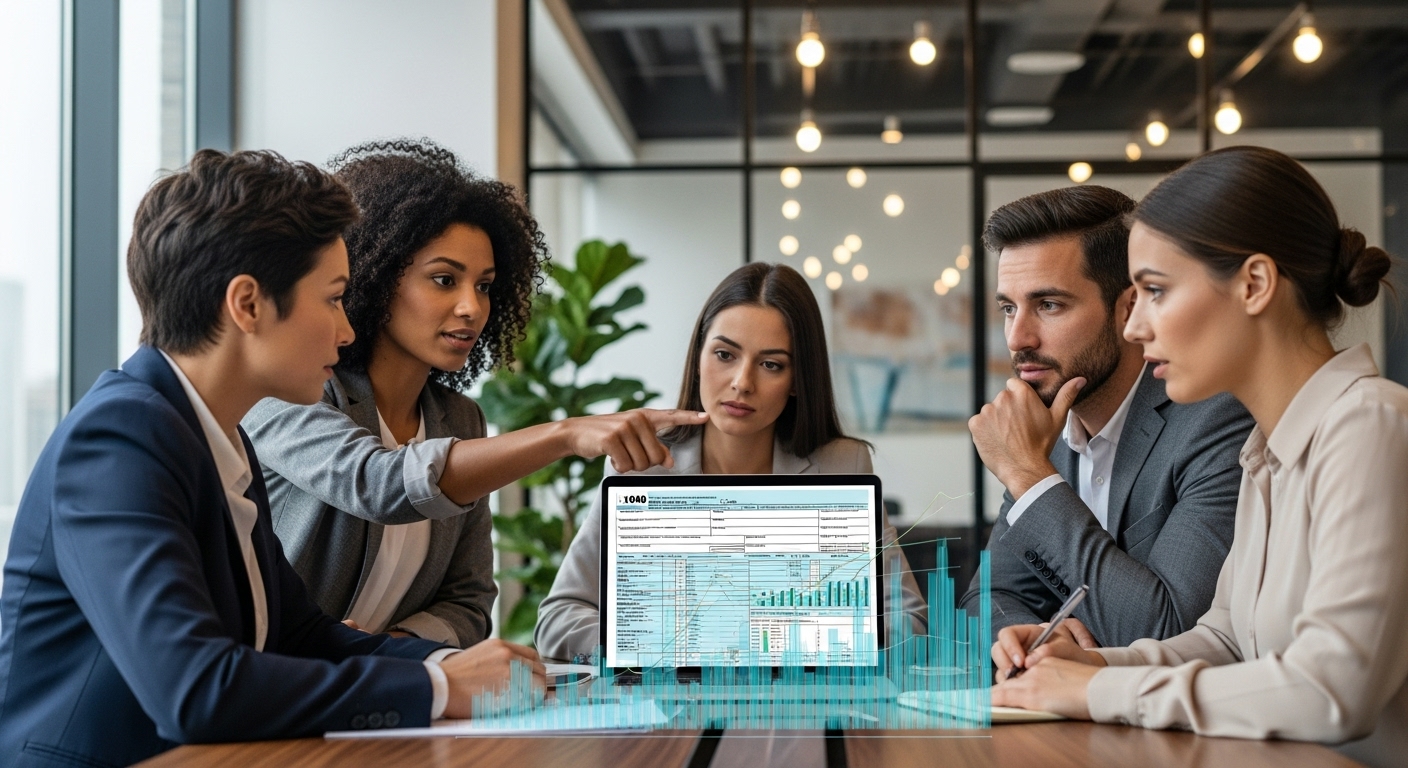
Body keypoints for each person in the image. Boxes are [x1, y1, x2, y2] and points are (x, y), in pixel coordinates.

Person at [0, 149, 546, 768]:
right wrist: (440, 688)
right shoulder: (120, 437)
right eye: (334, 299)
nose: (346, 332)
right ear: (248, 305)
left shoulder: (218, 438)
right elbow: (196, 689)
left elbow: (299, 634)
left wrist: (451, 664)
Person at [990, 146, 1407, 768]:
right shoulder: (1268, 449)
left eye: (1155, 292)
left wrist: (1101, 688)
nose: (1135, 327)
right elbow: (1225, 638)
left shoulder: (1370, 424)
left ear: (1255, 285)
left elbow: (1330, 689)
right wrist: (1092, 662)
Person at [242, 140, 707, 647]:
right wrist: (567, 435)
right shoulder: (294, 393)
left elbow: (469, 600)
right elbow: (377, 484)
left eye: (484, 286)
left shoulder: (460, 420)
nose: (471, 307)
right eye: (444, 280)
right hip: (274, 695)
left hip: (385, 700)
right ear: (374, 277)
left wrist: (387, 652)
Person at [536, 262, 927, 662]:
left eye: (771, 364)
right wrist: (659, 645)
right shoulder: (643, 463)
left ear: (797, 381)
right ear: (699, 355)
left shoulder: (841, 465)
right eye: (725, 354)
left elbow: (908, 620)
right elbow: (558, 618)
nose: (742, 382)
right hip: (672, 693)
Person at [958, 186, 1253, 648]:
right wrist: (1030, 636)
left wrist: (1031, 478)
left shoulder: (1217, 421)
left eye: (1049, 305)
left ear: (1128, 309)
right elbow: (988, 596)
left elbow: (1171, 630)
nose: (1017, 338)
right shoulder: (1047, 435)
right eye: (1009, 308)